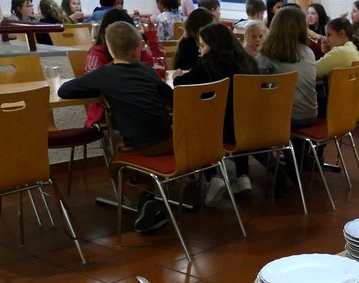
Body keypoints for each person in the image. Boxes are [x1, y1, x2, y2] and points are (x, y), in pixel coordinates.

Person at [59, 21, 175, 232]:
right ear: (137, 48)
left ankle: (143, 201)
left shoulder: (103, 75)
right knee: (131, 148)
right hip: (171, 140)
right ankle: (150, 198)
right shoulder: (147, 71)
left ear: (110, 50)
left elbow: (64, 91)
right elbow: (172, 97)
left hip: (142, 146)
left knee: (117, 165)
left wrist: (99, 90)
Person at [174, 23, 259, 204]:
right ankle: (242, 175)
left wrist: (176, 76)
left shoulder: (209, 65)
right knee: (234, 117)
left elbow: (181, 84)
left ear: (214, 46)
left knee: (195, 125)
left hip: (219, 132)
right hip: (249, 128)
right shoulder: (249, 62)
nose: (200, 50)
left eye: (202, 45)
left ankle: (212, 177)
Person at [256, 7, 316, 126]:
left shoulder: (268, 55)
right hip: (311, 114)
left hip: (285, 118)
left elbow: (257, 88)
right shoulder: (308, 52)